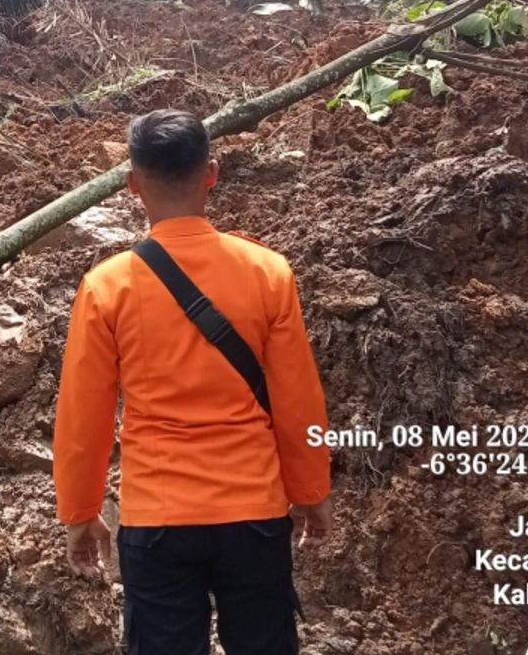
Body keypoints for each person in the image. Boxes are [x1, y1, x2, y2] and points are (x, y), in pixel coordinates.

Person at [52, 109, 333, 655]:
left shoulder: (107, 287)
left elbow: (83, 415)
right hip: (254, 512)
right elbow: (297, 399)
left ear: (133, 184)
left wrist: (81, 512)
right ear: (212, 173)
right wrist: (310, 492)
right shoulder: (268, 272)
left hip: (158, 517)